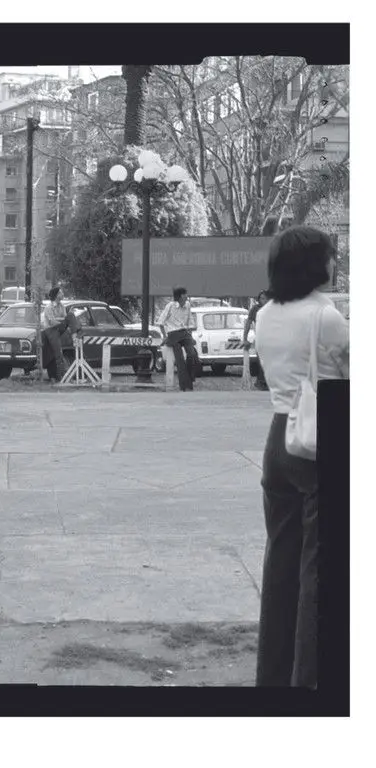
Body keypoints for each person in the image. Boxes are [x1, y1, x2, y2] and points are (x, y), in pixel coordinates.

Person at [253, 226, 349, 689]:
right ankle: (310, 681)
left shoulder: (266, 314)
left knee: (282, 561)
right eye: (332, 256)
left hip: (278, 436)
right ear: (315, 264)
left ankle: (272, 675)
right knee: (320, 567)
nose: (336, 263)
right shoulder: (325, 317)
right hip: (320, 435)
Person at [157, 287, 199, 392]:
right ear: (180, 296)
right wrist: (165, 336)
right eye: (185, 294)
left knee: (192, 354)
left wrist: (191, 335)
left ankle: (190, 379)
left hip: (184, 333)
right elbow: (161, 322)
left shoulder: (188, 305)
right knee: (180, 361)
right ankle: (185, 386)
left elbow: (190, 322)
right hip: (173, 334)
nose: (187, 296)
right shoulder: (170, 306)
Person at [41, 287, 69, 383]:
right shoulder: (49, 307)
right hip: (50, 330)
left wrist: (60, 321)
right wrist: (61, 321)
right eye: (61, 293)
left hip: (59, 329)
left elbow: (65, 319)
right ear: (56, 295)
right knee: (58, 354)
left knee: (56, 354)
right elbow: (52, 322)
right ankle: (60, 377)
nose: (63, 294)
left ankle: (57, 376)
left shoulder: (62, 306)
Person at [244, 289, 270, 391]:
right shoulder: (255, 309)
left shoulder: (272, 309)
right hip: (260, 338)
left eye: (266, 298)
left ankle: (266, 382)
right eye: (262, 298)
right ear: (259, 299)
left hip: (272, 339)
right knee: (261, 361)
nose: (265, 300)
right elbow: (248, 323)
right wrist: (244, 337)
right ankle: (261, 382)